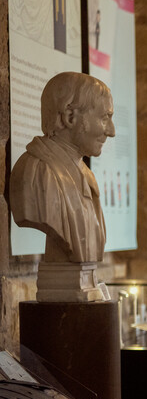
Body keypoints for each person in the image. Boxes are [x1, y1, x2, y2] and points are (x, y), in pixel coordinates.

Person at [9, 71, 114, 265]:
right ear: (70, 117)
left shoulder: (87, 176)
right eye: (104, 118)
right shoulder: (36, 172)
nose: (111, 131)